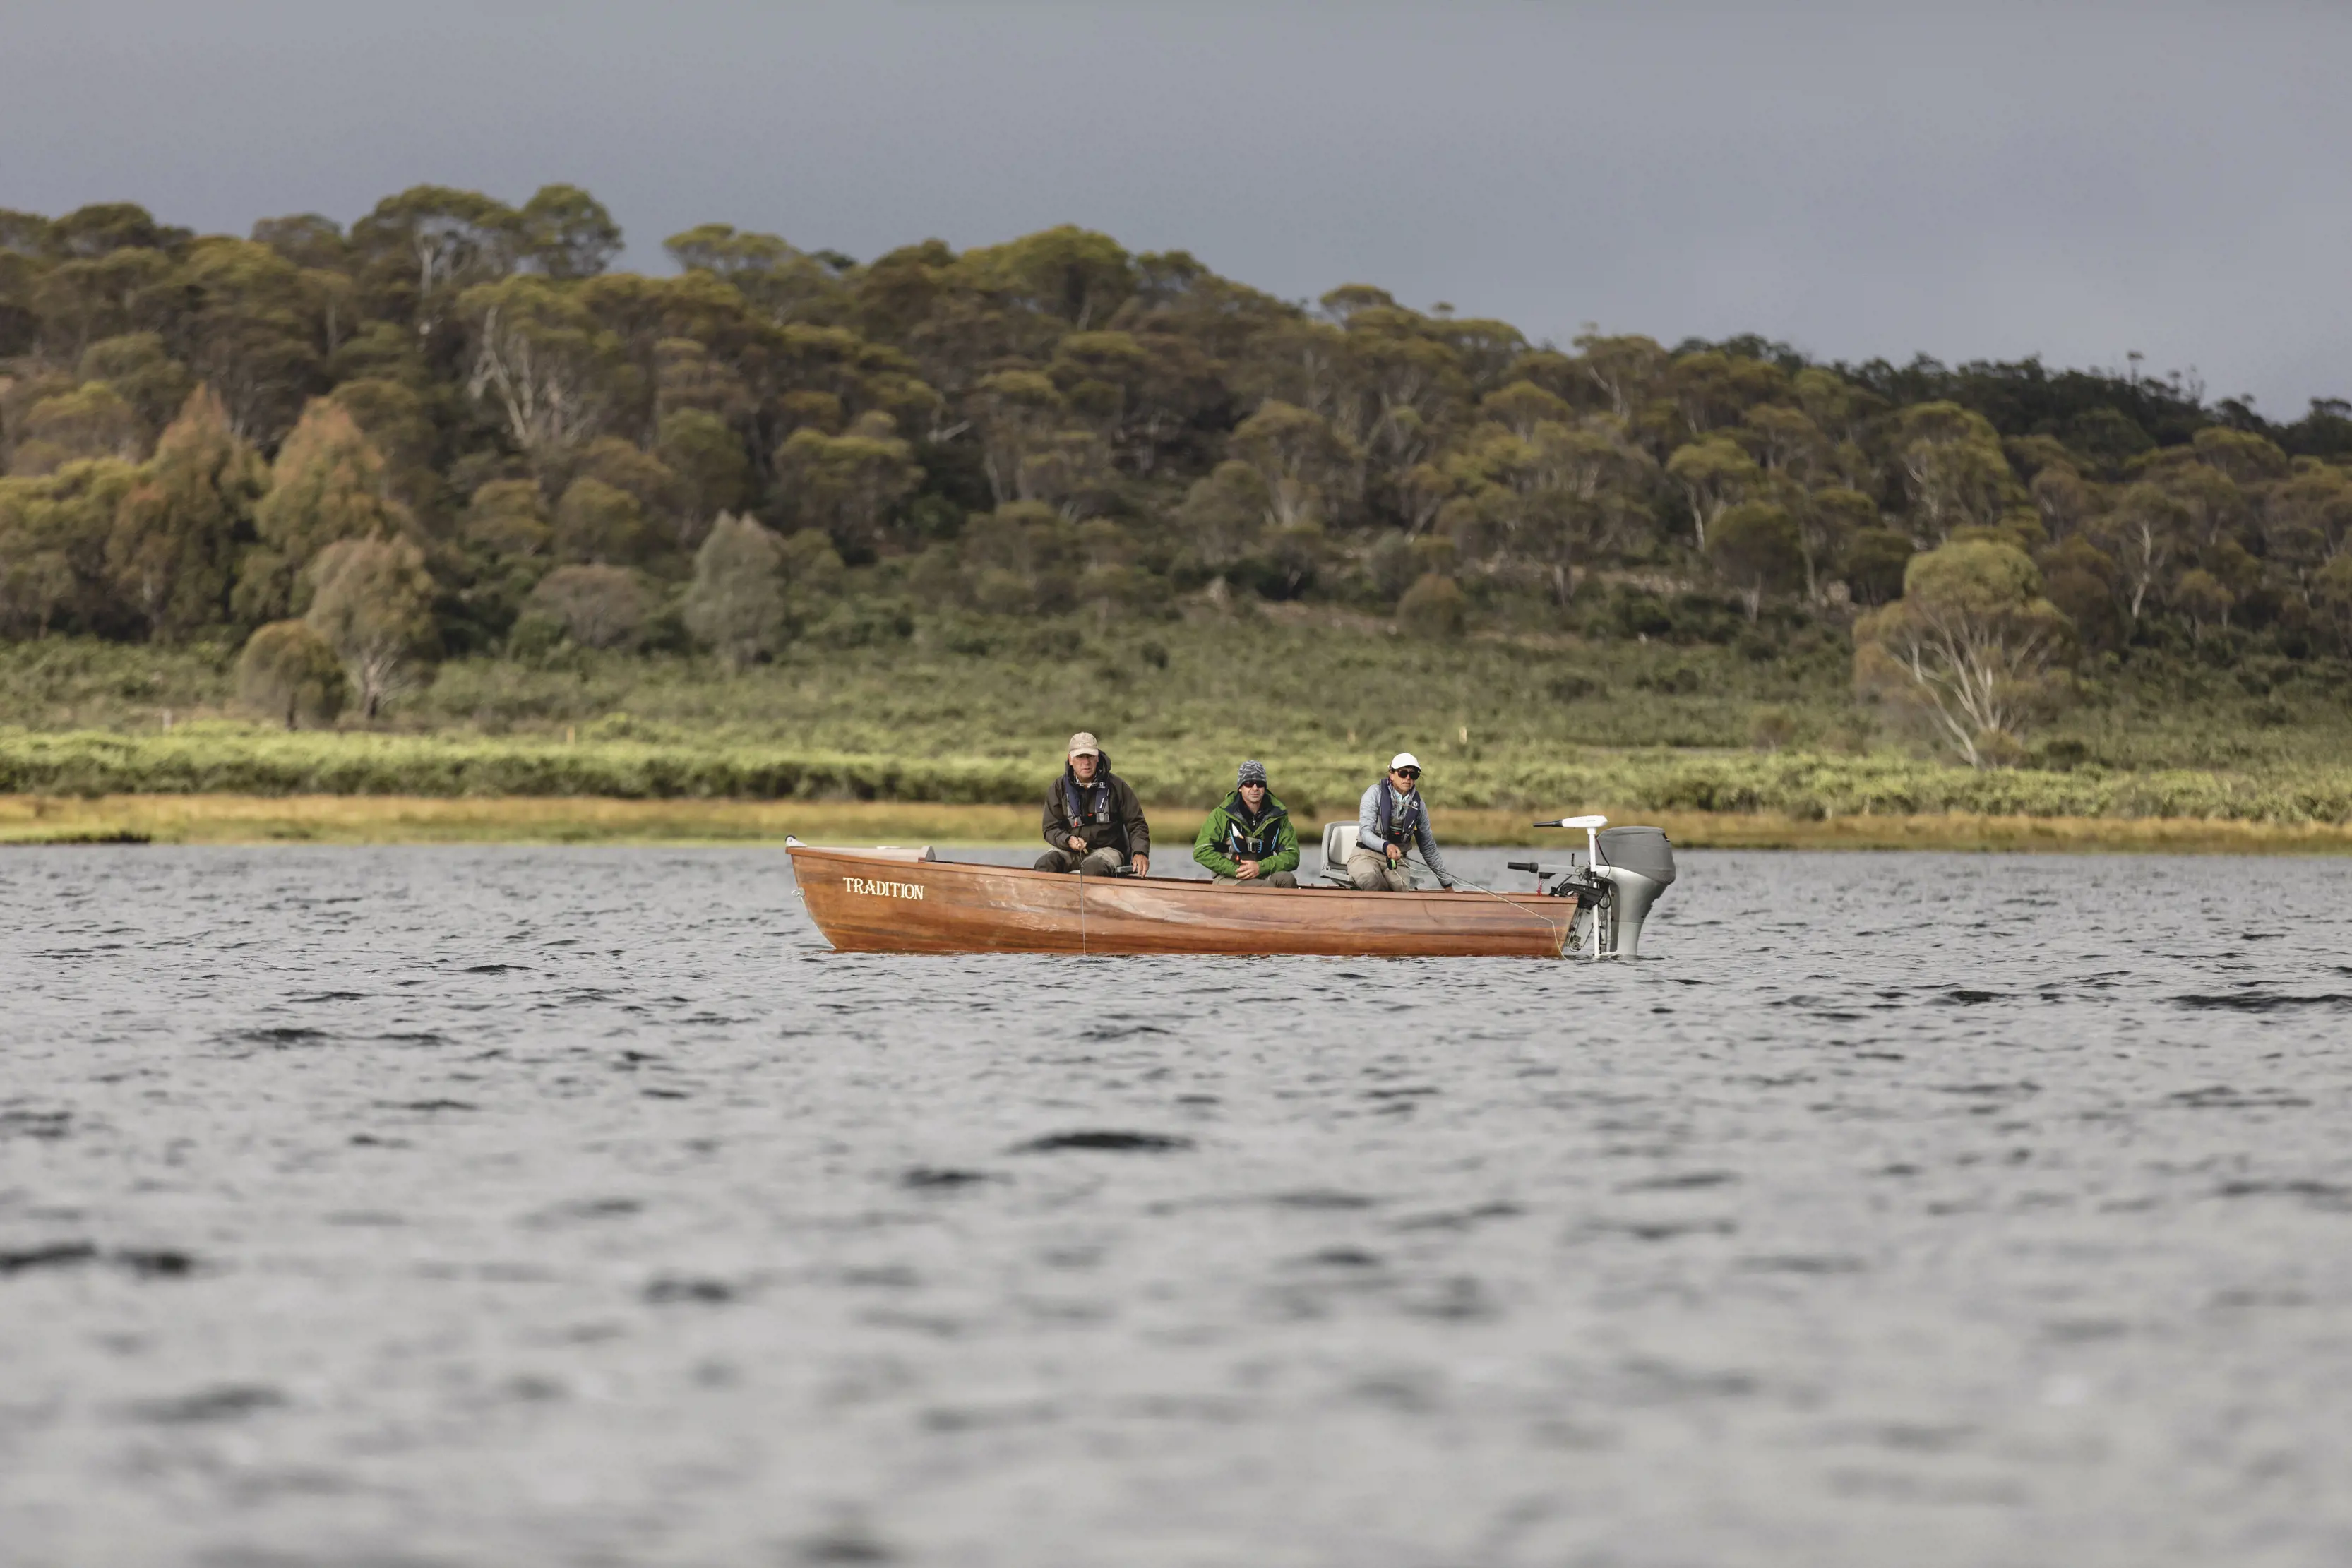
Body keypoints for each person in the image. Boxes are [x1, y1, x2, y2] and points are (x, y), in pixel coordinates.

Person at [1035, 731, 1151, 877]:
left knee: (1093, 869)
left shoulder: (1117, 786)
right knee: (1044, 865)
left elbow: (1137, 824)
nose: (1086, 762)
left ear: (1097, 758)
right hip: (1070, 849)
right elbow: (1050, 828)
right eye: (1080, 756)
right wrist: (1068, 840)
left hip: (1108, 851)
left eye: (1090, 756)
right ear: (1070, 759)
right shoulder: (1058, 788)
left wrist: (1140, 852)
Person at [1348, 751, 1457, 892]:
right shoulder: (1374, 794)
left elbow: (1429, 848)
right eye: (1403, 773)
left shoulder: (1419, 806)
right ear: (1392, 775)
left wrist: (1447, 885)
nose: (1408, 778)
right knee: (1372, 880)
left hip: (1398, 862)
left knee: (1400, 888)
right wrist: (1386, 846)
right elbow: (1365, 833)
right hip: (1365, 855)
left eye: (1413, 775)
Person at [1192, 760, 1300, 888]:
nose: (1255, 788)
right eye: (1249, 783)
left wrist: (1261, 867)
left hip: (1263, 873)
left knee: (1287, 880)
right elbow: (1201, 851)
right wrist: (1236, 870)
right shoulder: (1221, 815)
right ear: (1240, 787)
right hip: (1230, 876)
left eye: (1260, 784)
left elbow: (1292, 856)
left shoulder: (1278, 816)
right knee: (1266, 888)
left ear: (1265, 787)